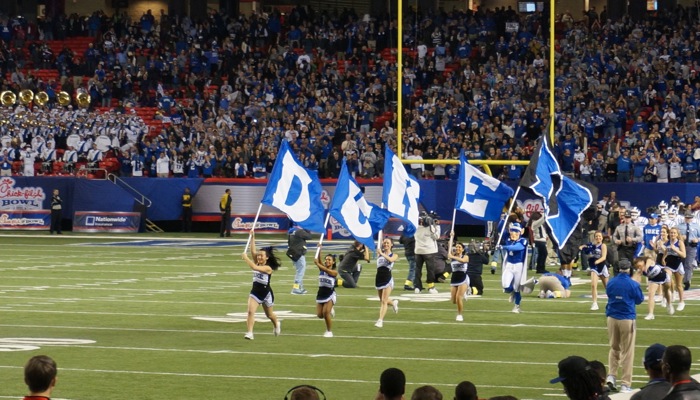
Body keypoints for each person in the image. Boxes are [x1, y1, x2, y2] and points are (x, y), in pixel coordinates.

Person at [605, 258, 644, 393]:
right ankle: (625, 384)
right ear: (629, 269)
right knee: (627, 352)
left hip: (611, 317)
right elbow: (639, 300)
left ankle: (611, 376)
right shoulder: (632, 284)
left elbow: (609, 294)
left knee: (614, 347)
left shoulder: (611, 282)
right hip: (626, 318)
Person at [241, 230, 281, 340]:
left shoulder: (268, 268)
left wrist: (246, 258)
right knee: (250, 311)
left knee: (269, 315)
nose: (259, 257)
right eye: (258, 255)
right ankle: (250, 332)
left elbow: (254, 267)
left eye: (261, 256)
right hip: (255, 292)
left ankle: (276, 324)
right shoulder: (257, 261)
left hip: (266, 293)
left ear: (267, 257)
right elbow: (253, 250)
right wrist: (253, 237)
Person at [501, 222, 528, 313]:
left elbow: (517, 247)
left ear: (521, 232)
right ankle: (512, 292)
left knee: (517, 288)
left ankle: (517, 306)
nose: (514, 233)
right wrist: (503, 219)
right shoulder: (508, 238)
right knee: (505, 286)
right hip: (509, 265)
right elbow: (500, 229)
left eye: (516, 231)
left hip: (518, 266)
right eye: (512, 231)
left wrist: (504, 247)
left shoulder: (523, 241)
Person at [374, 237, 400, 328]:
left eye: (388, 243)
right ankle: (393, 303)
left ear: (391, 244)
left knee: (384, 301)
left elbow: (391, 260)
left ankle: (380, 320)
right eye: (384, 243)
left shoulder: (394, 255)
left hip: (387, 279)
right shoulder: (379, 254)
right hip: (379, 278)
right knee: (382, 300)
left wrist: (381, 253)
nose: (386, 244)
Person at [580, 231, 609, 311]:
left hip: (602, 266)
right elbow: (586, 248)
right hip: (594, 267)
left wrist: (597, 261)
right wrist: (583, 247)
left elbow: (604, 257)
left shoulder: (603, 246)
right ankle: (595, 303)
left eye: (599, 236)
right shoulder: (592, 246)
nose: (598, 238)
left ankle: (611, 301)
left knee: (607, 287)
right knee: (593, 285)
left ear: (602, 238)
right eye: (596, 236)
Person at [313, 249, 337, 337]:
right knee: (320, 315)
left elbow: (326, 270)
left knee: (325, 313)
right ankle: (330, 309)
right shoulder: (322, 268)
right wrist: (319, 249)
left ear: (333, 262)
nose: (327, 261)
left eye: (329, 260)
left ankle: (329, 331)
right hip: (321, 294)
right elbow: (319, 261)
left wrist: (317, 263)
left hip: (330, 294)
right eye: (326, 259)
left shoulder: (334, 272)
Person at [414, 212, 440, 294]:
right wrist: (436, 226)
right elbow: (436, 236)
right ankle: (431, 287)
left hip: (418, 251)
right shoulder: (430, 228)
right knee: (430, 270)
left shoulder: (416, 227)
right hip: (429, 251)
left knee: (417, 270)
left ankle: (417, 287)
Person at [661, 227, 687, 311]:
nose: (672, 234)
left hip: (678, 263)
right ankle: (666, 299)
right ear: (669, 233)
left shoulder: (680, 243)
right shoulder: (667, 242)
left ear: (677, 234)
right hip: (669, 264)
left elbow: (684, 255)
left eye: (674, 233)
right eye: (671, 233)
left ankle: (681, 302)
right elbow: (666, 251)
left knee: (679, 285)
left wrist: (675, 249)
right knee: (667, 281)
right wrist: (663, 258)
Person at [448, 232, 469, 322]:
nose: (457, 248)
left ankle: (459, 315)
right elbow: (449, 246)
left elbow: (463, 261)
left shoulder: (465, 256)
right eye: (456, 247)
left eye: (459, 247)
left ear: (463, 249)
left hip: (463, 278)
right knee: (453, 300)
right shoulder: (452, 255)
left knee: (458, 297)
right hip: (454, 278)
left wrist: (453, 256)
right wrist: (451, 236)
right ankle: (463, 293)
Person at [287, 224, 314, 294]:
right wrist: (308, 230)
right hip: (298, 254)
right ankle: (296, 288)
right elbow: (309, 237)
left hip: (293, 253)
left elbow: (289, 243)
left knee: (299, 271)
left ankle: (300, 287)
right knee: (300, 272)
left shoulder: (292, 231)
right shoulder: (300, 231)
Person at [680, 210, 699, 291]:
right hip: (682, 246)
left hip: (691, 246)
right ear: (684, 217)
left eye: (690, 217)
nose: (688, 219)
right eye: (687, 217)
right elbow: (674, 235)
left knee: (688, 264)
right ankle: (681, 280)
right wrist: (680, 237)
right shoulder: (679, 226)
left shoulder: (697, 226)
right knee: (681, 264)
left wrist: (697, 239)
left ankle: (686, 281)